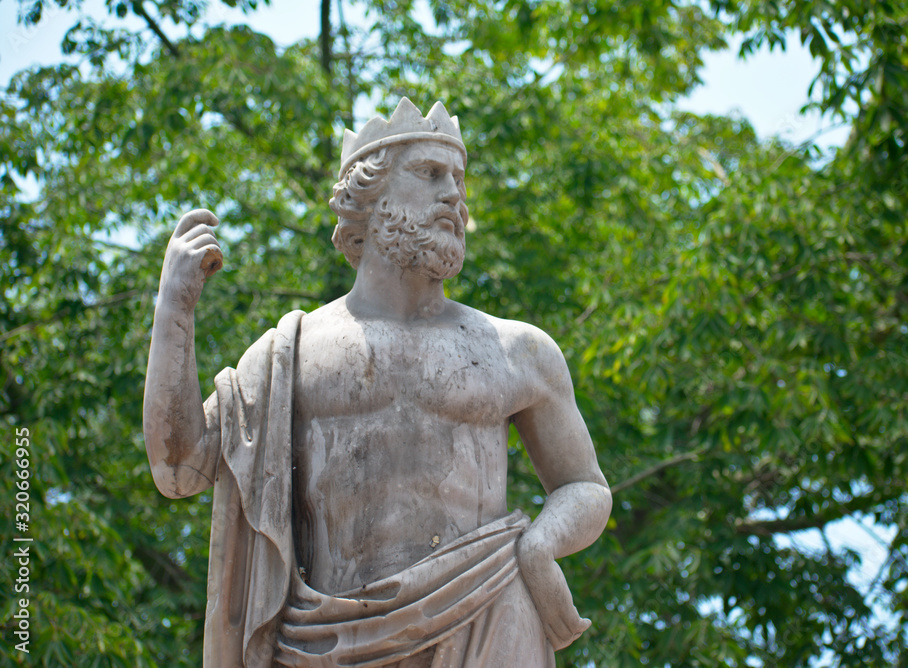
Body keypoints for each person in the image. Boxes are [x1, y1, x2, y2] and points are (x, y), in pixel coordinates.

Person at [143, 98, 612, 667]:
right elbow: (178, 468)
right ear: (370, 195)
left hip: (490, 614)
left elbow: (586, 486)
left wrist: (540, 544)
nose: (455, 196)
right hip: (327, 637)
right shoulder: (292, 353)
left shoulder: (517, 351)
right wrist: (174, 310)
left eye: (459, 179)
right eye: (431, 173)